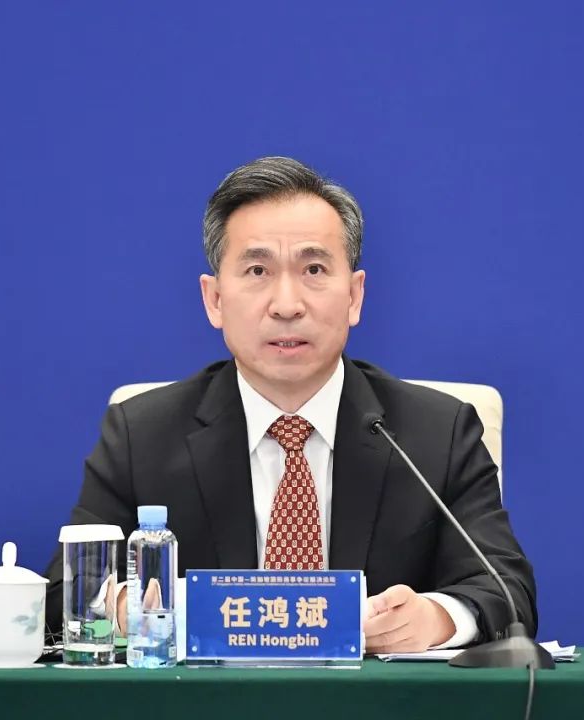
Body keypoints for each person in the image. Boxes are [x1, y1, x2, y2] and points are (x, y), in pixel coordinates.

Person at [44, 156, 537, 652]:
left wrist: (437, 618)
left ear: (355, 296)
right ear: (214, 299)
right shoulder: (143, 433)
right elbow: (67, 588)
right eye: (257, 270)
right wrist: (126, 608)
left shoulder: (437, 432)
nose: (286, 304)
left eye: (314, 269)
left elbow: (506, 591)